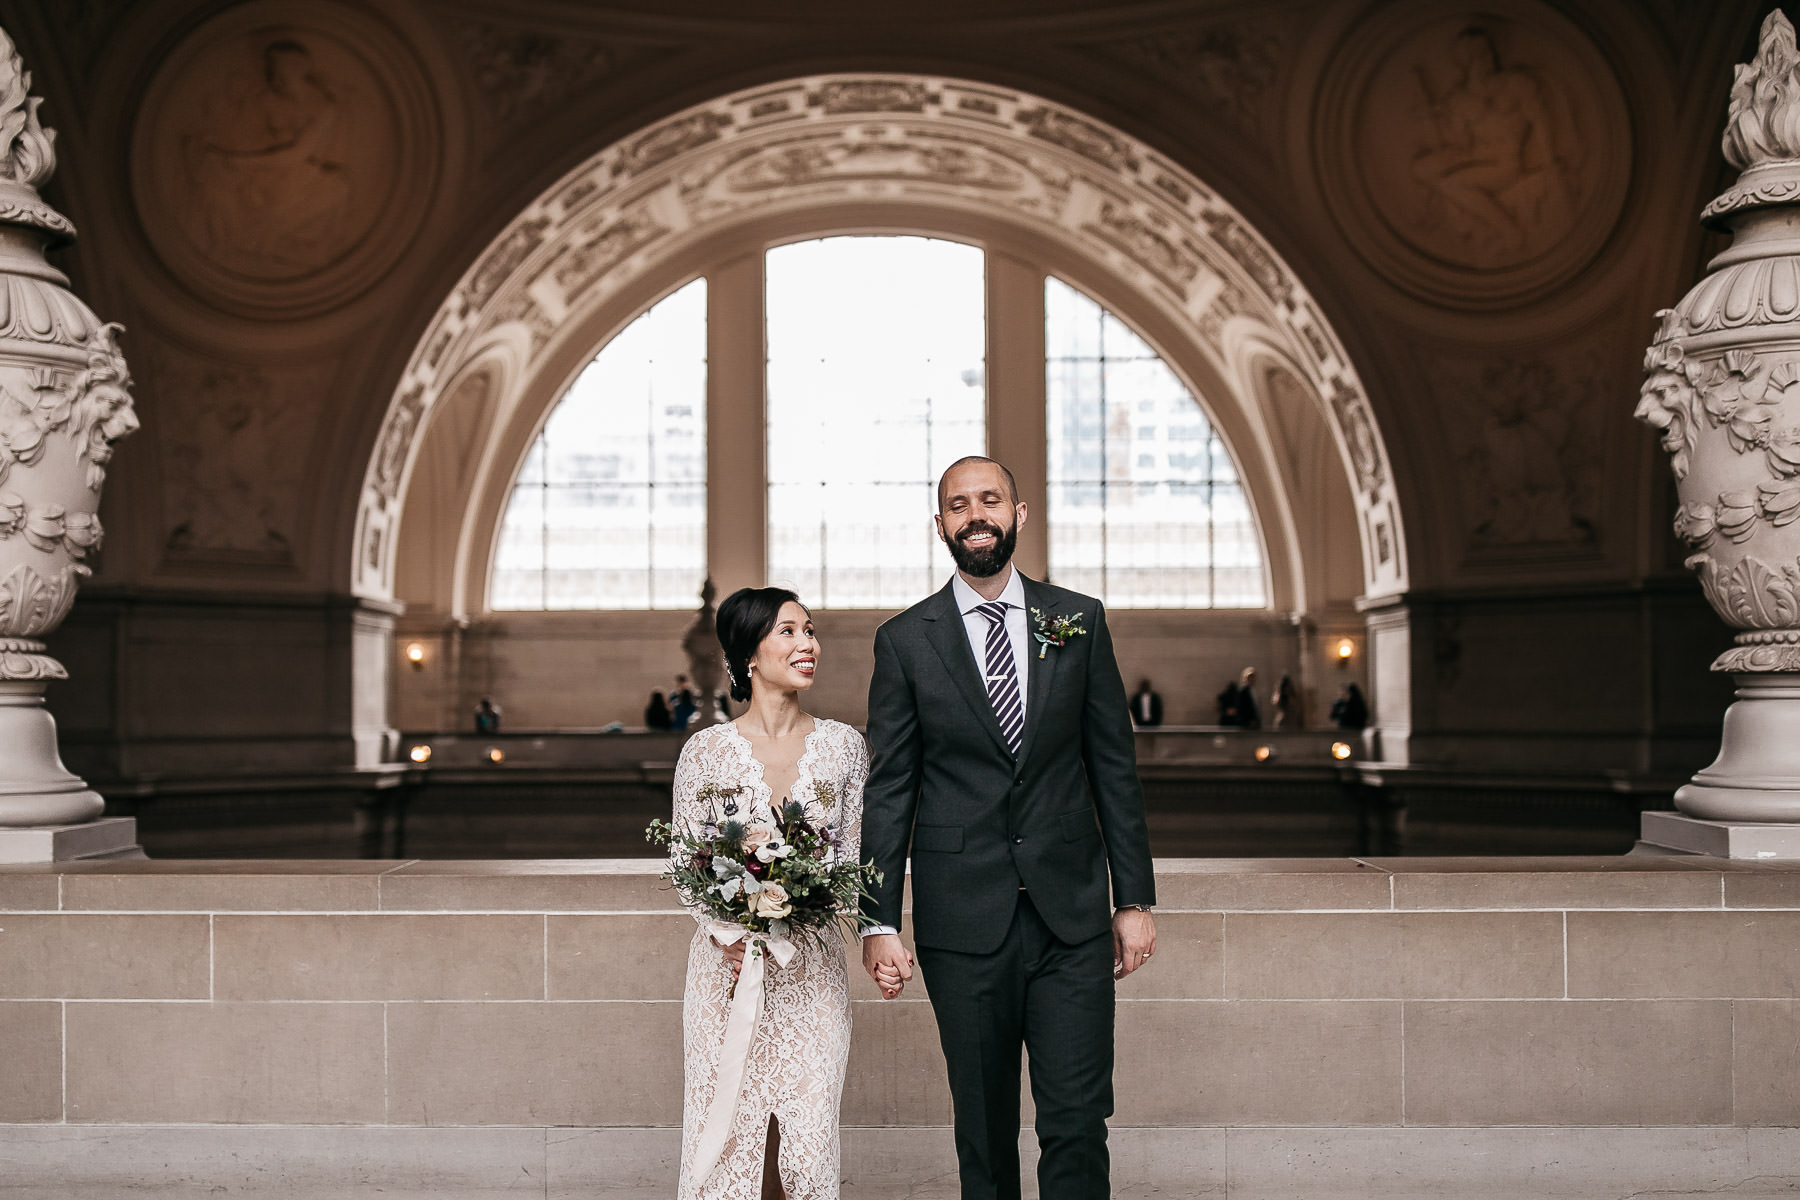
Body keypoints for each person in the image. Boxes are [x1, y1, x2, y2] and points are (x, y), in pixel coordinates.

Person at [860, 456, 1157, 1200]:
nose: (975, 515)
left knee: (1079, 1119)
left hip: (1072, 918)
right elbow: (891, 786)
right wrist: (876, 919)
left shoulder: (1078, 619)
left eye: (989, 499)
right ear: (941, 527)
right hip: (963, 922)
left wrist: (1134, 899)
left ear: (1018, 514)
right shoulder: (904, 641)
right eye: (958, 506)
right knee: (984, 1132)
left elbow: (1112, 768)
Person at [671, 587, 871, 1200]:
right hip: (727, 977)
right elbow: (685, 862)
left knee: (803, 1141)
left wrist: (874, 936)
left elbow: (856, 861)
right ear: (749, 654)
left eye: (809, 631)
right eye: (788, 631)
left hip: (810, 976)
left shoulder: (844, 749)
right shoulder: (704, 752)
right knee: (733, 1139)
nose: (807, 644)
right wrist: (729, 930)